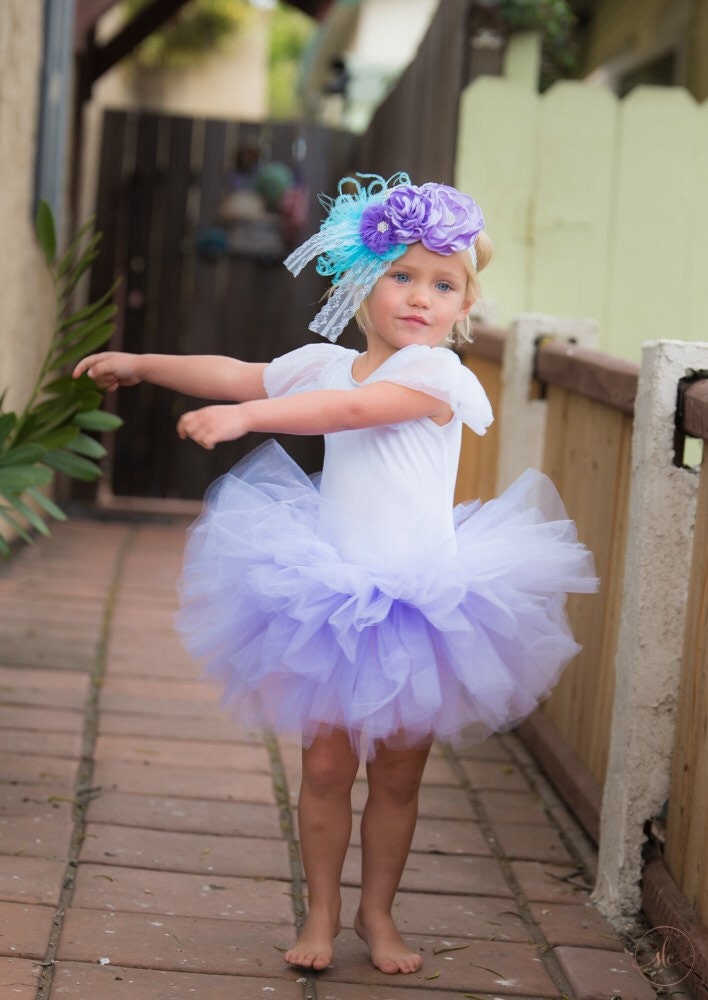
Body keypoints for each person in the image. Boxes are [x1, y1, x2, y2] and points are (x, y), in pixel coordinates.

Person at [74, 172, 598, 977]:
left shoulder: (436, 379)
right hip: (332, 595)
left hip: (421, 604)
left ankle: (376, 913)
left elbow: (352, 414)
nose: (421, 297)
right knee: (325, 766)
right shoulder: (323, 364)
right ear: (364, 281)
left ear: (463, 307)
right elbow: (239, 372)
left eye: (444, 284)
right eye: (402, 275)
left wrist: (249, 421)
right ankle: (319, 909)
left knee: (396, 775)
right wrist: (144, 363)